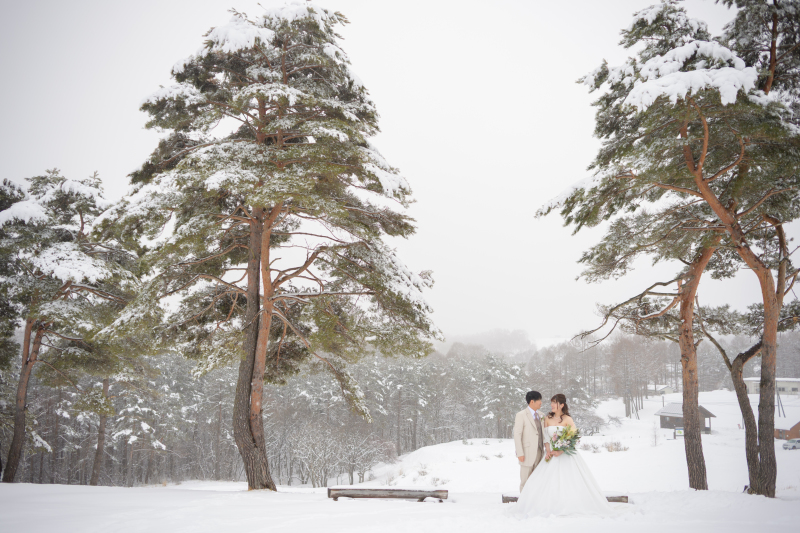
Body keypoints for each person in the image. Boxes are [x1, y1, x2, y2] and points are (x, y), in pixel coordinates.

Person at [510, 393, 613, 517]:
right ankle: (528, 505)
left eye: (554, 402)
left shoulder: (567, 419)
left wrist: (561, 450)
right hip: (550, 455)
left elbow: (574, 438)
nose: (551, 405)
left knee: (568, 483)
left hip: (565, 456)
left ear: (562, 405)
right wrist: (548, 451)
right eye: (551, 402)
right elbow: (545, 438)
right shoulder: (546, 418)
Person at [512, 391, 545, 491]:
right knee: (525, 481)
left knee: (537, 480)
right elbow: (517, 435)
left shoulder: (542, 415)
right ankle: (523, 505)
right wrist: (520, 453)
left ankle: (534, 503)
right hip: (526, 453)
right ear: (532, 401)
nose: (541, 402)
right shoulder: (521, 415)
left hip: (540, 452)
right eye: (539, 400)